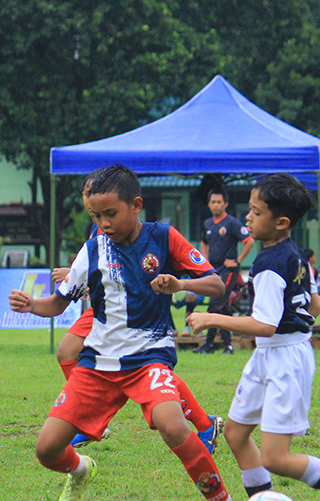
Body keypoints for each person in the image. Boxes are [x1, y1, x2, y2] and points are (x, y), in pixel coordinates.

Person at [9, 165, 243, 501]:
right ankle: (81, 470)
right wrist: (31, 304)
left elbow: (215, 284)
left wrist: (179, 282)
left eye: (110, 214)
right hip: (98, 364)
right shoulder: (91, 250)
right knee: (47, 450)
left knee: (172, 426)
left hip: (149, 357)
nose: (103, 223)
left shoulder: (164, 238)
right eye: (95, 216)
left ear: (136, 205)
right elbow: (58, 303)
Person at [186, 173, 320, 501]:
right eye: (248, 209)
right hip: (272, 356)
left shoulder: (267, 265)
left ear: (281, 222)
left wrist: (211, 317)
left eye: (256, 212)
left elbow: (265, 325)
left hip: (284, 359)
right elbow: (316, 306)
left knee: (275, 457)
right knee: (235, 434)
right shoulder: (296, 256)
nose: (247, 217)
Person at [53, 173, 223, 452]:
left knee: (149, 367)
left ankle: (203, 423)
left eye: (90, 193)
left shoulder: (140, 230)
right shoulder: (99, 229)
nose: (88, 200)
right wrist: (74, 278)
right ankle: (88, 417)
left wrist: (176, 283)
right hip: (104, 312)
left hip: (130, 314)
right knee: (67, 352)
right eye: (85, 194)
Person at [193, 187, 253, 354]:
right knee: (222, 306)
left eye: (219, 202)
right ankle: (227, 345)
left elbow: (249, 241)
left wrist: (238, 261)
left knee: (216, 303)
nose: (216, 205)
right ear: (209, 204)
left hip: (228, 270)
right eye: (213, 202)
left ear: (225, 204)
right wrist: (204, 263)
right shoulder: (208, 223)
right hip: (213, 270)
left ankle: (209, 343)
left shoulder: (232, 222)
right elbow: (204, 242)